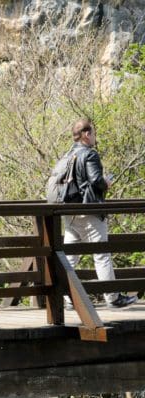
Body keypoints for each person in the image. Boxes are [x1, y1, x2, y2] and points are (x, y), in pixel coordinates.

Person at [63, 119, 135, 309]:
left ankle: (66, 296)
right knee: (101, 254)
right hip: (89, 211)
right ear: (86, 134)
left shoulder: (69, 155)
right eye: (93, 133)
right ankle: (112, 297)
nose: (94, 137)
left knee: (68, 256)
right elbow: (96, 181)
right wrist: (106, 183)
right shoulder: (90, 154)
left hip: (70, 212)